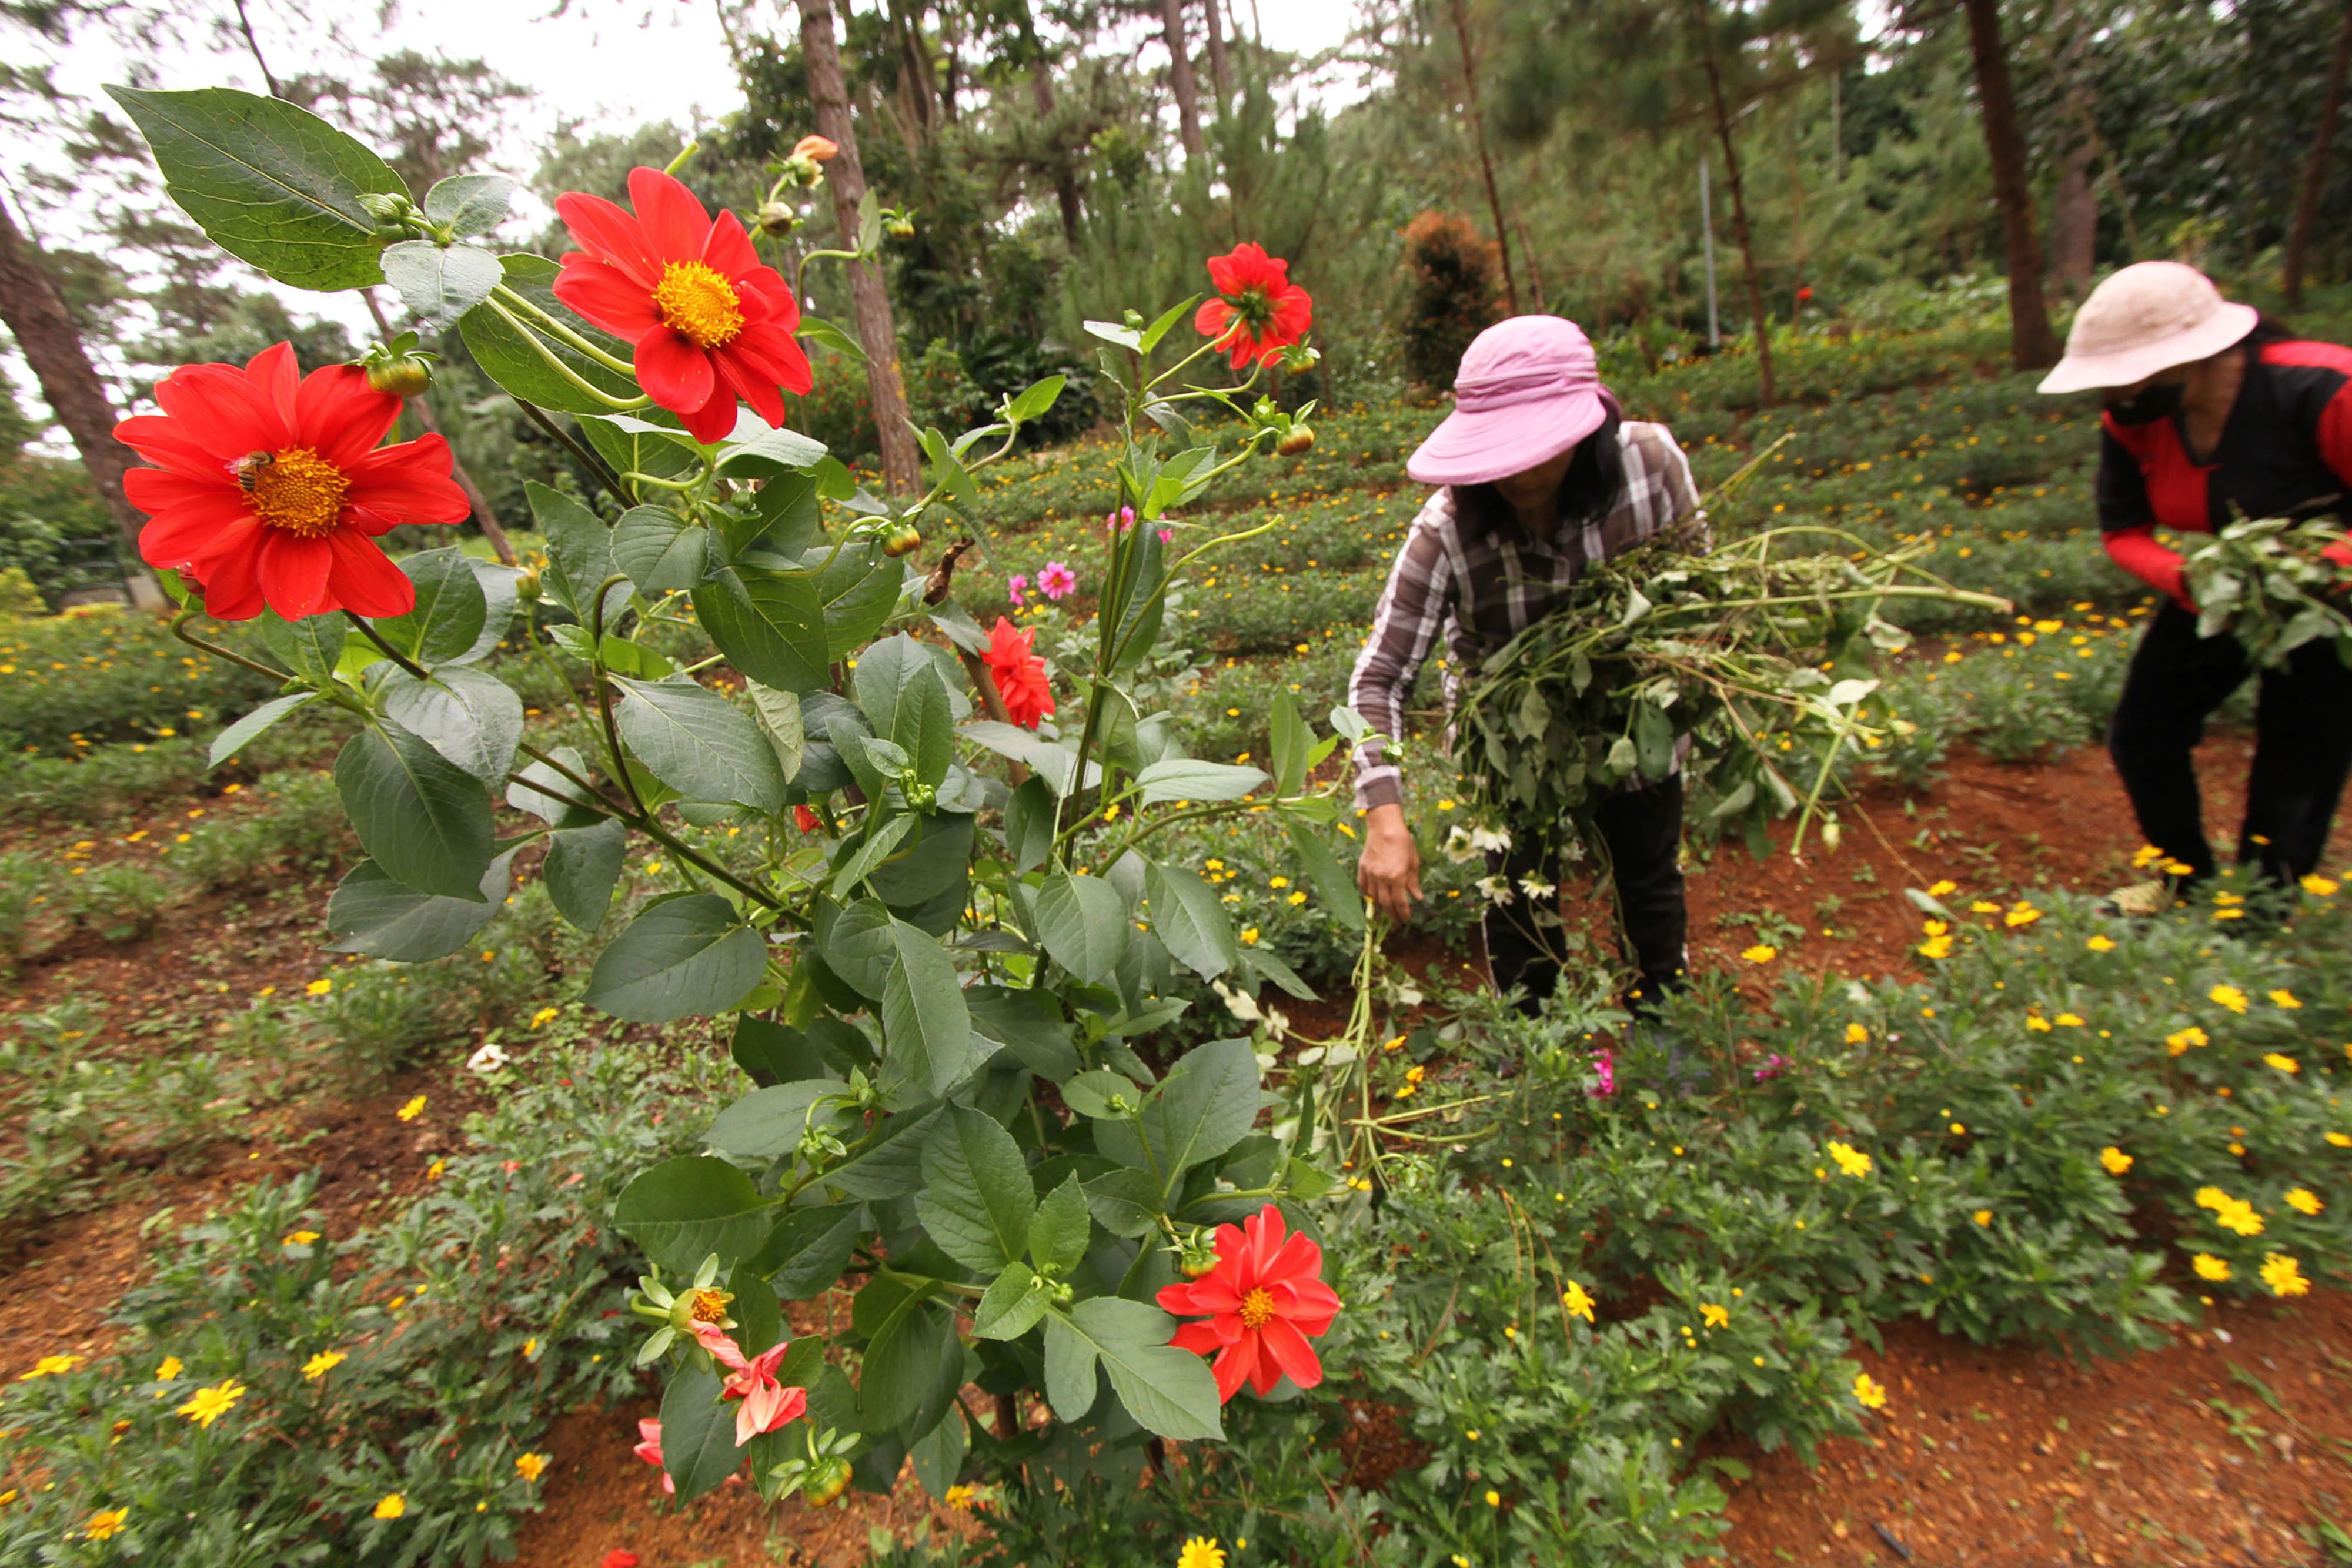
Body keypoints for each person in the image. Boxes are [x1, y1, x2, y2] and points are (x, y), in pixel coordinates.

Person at [1350, 315, 1705, 1015]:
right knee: (1517, 900)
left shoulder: (1650, 464)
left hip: (1636, 721)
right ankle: (1532, 1041)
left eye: (1537, 449)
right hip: (1510, 743)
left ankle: (1662, 1025)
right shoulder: (1447, 529)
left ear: (1586, 433)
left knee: (1649, 880)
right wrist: (1384, 821)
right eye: (1499, 454)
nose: (1516, 473)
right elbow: (1378, 680)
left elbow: (1698, 594)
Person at [2036, 261, 2352, 908]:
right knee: (2142, 733)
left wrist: (2324, 563)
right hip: (2218, 591)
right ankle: (2185, 881)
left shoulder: (2323, 388)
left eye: (2137, 373)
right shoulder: (2131, 418)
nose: (2121, 391)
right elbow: (2122, 531)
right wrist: (2186, 577)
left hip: (2332, 603)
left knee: (2298, 753)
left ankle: (2262, 913)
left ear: (2199, 356)